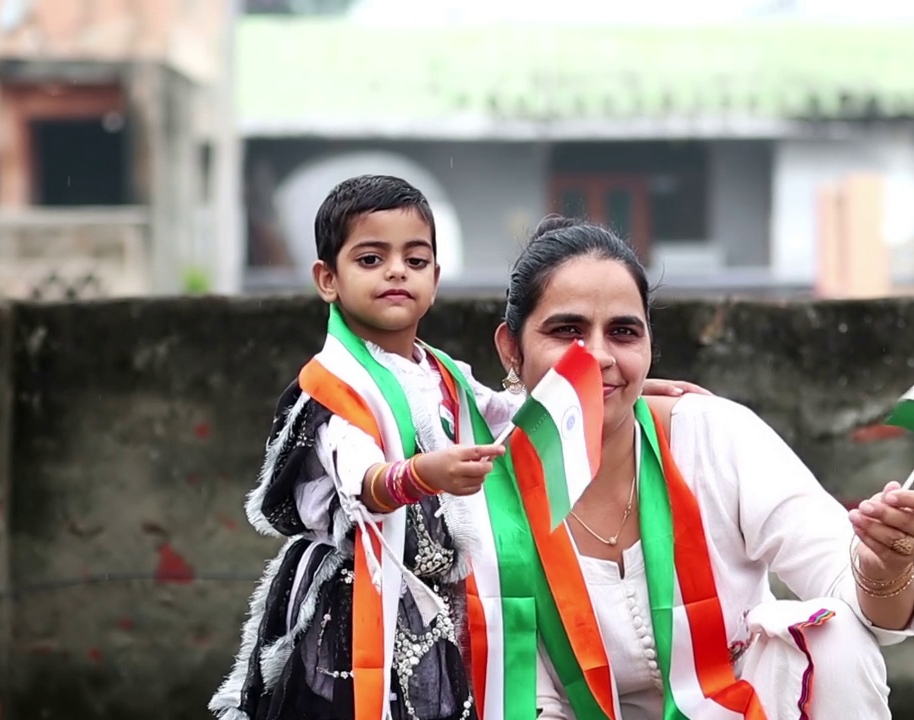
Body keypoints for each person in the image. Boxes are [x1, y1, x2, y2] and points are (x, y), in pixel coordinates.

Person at [209, 177, 704, 720]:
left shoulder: (440, 370)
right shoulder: (333, 388)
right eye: (372, 259)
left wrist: (615, 389)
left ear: (436, 278)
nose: (397, 271)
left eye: (415, 260)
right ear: (328, 279)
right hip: (355, 603)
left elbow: (510, 408)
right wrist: (422, 475)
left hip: (432, 599)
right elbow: (360, 480)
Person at [465, 215, 914, 719]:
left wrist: (885, 565)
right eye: (568, 331)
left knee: (836, 634)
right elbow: (522, 702)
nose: (598, 356)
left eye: (623, 332)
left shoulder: (712, 437)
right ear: (511, 348)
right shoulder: (477, 494)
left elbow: (871, 614)